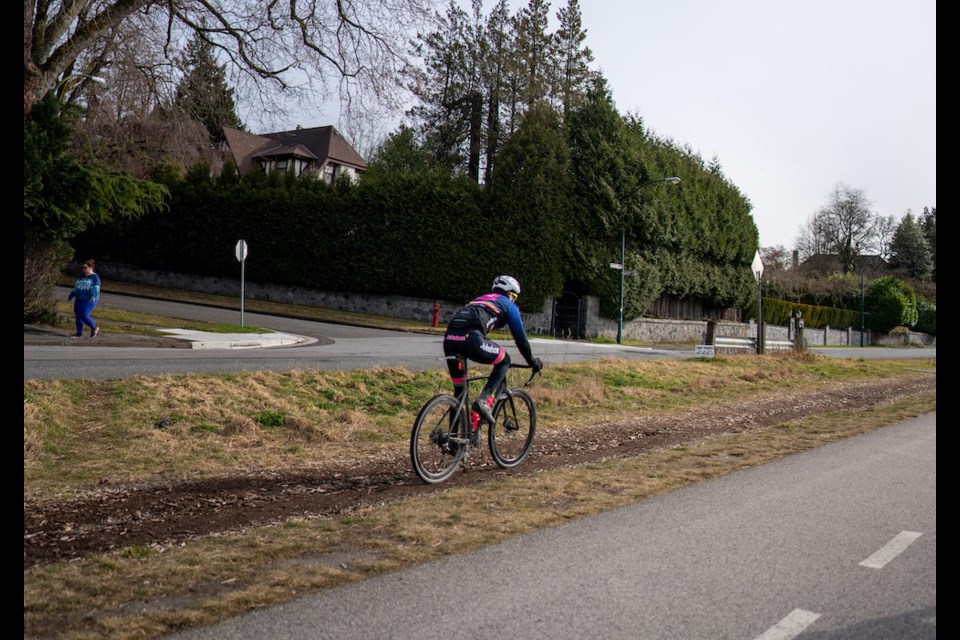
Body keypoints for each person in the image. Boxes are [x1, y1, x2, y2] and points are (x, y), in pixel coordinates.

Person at [443, 275, 543, 429]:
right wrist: (532, 362)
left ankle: (453, 442)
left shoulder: (478, 299)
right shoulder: (508, 305)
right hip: (471, 338)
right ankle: (483, 401)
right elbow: (521, 339)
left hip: (450, 339)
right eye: (515, 297)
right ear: (511, 295)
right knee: (505, 360)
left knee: (460, 392)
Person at [67, 259, 101, 338]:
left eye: (85, 268)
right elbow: (76, 287)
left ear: (91, 268)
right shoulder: (81, 276)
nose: (83, 269)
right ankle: (79, 333)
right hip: (79, 298)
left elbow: (96, 288)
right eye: (83, 268)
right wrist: (72, 294)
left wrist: (93, 296)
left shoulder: (95, 278)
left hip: (89, 299)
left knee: (83, 314)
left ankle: (94, 328)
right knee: (78, 314)